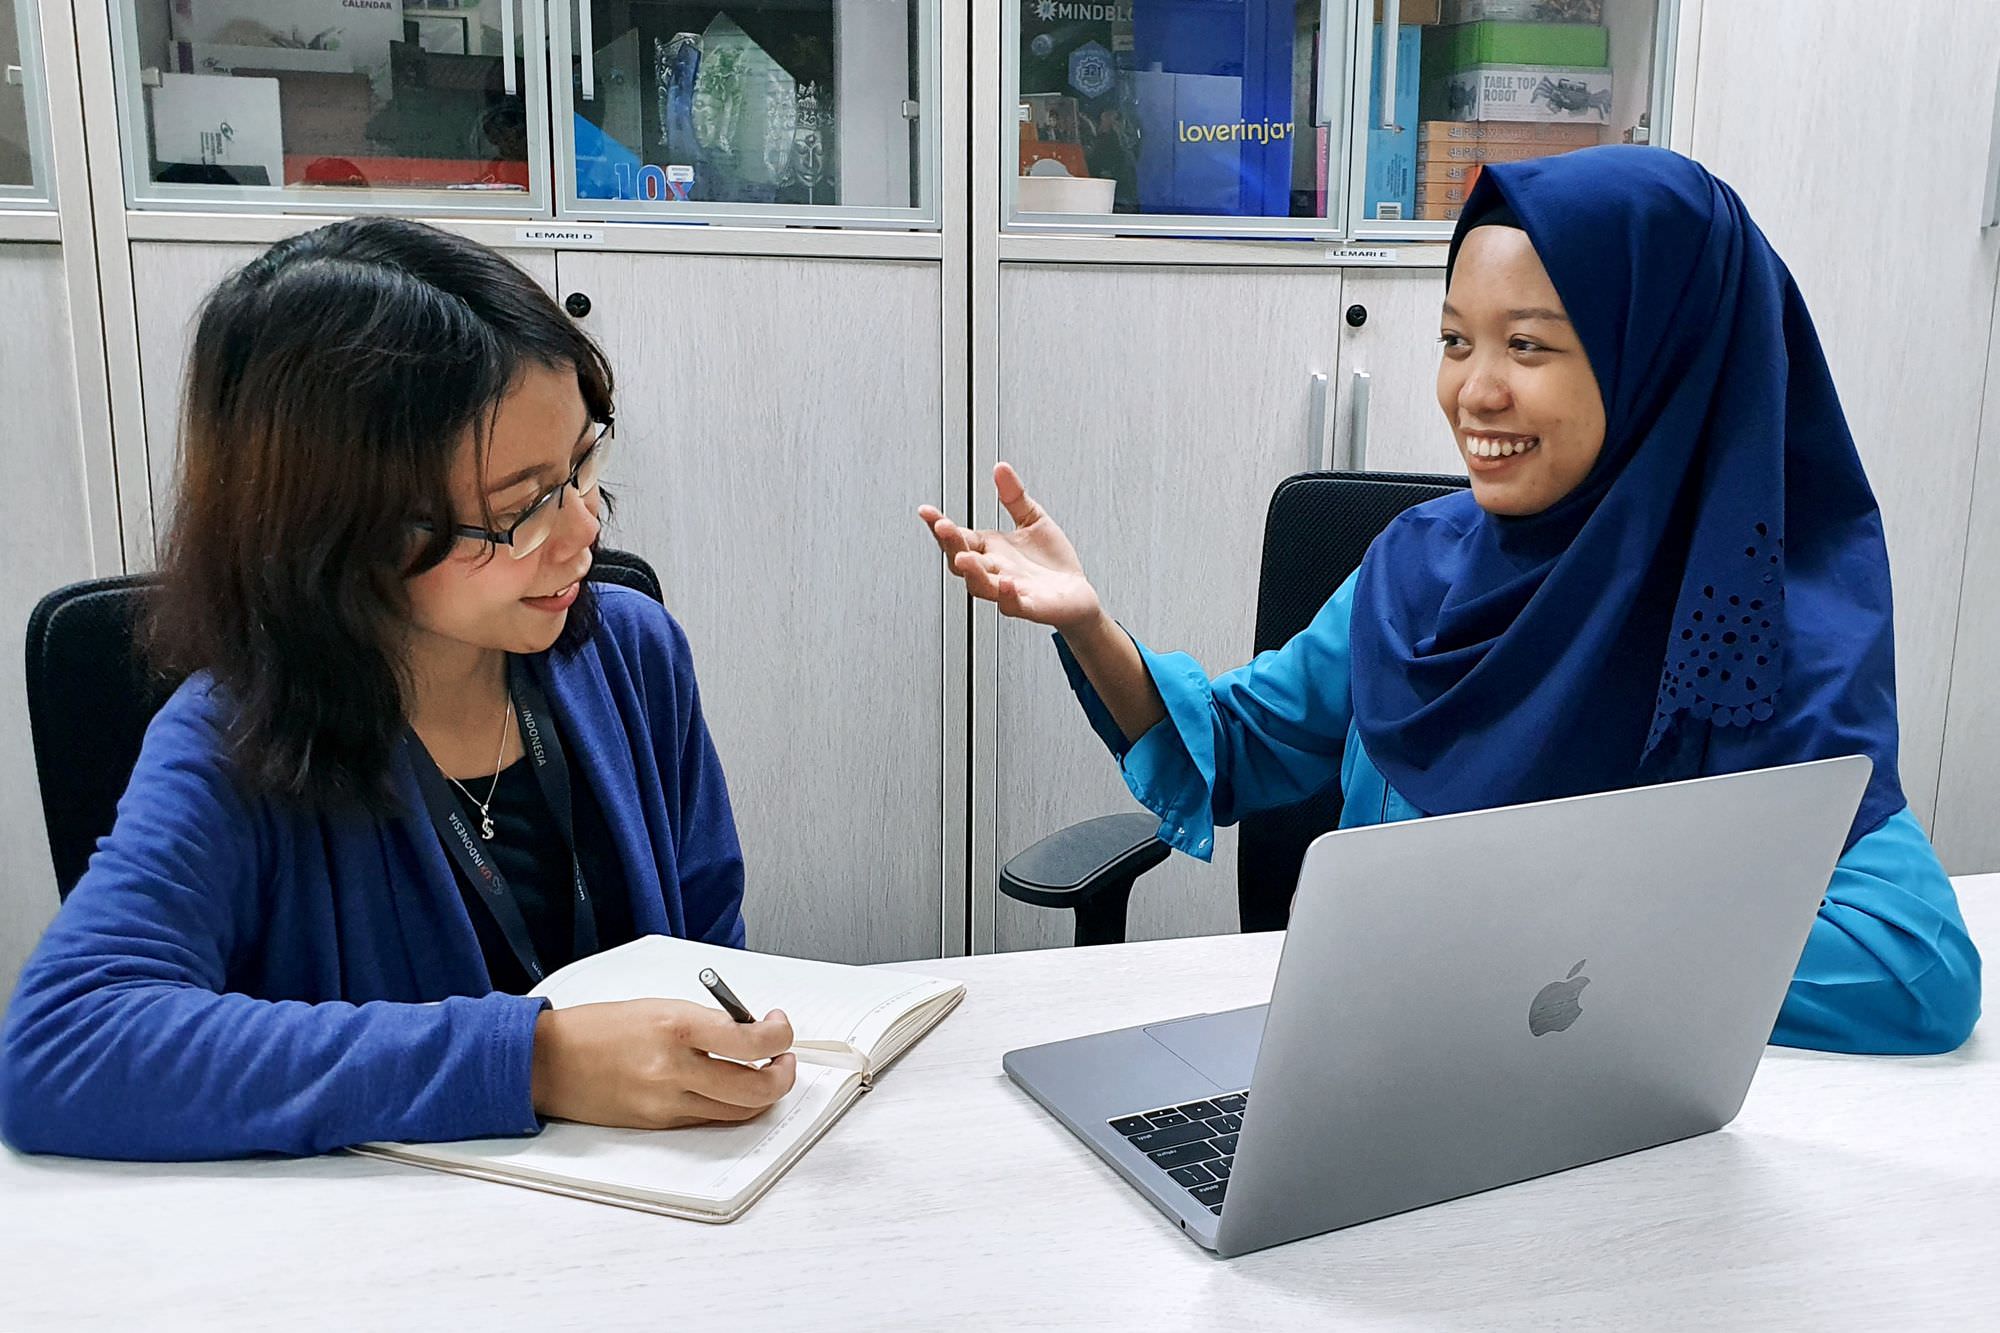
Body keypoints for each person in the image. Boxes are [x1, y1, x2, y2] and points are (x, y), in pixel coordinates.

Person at [921, 147, 1980, 1055]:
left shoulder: (1747, 628)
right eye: (1453, 339)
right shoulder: (1419, 569)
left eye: (1527, 344)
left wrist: (1530, 948)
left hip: (1623, 1139)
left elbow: (1910, 965)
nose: (1471, 391)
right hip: (1369, 1078)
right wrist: (1088, 625)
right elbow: (1237, 747)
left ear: (1662, 366)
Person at [0, 219, 796, 1160]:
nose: (582, 531)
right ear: (342, 530)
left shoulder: (630, 652)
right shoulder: (235, 738)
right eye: (518, 509)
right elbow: (63, 1048)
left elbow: (710, 944)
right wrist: (531, 1062)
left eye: (582, 464)